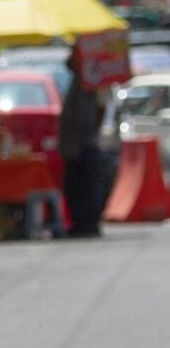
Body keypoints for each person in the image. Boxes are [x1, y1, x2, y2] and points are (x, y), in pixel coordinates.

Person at [59, 47, 106, 237]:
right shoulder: (78, 80)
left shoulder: (92, 80)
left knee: (87, 186)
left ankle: (88, 223)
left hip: (86, 145)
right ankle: (79, 222)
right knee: (75, 186)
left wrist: (92, 135)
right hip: (74, 145)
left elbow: (100, 109)